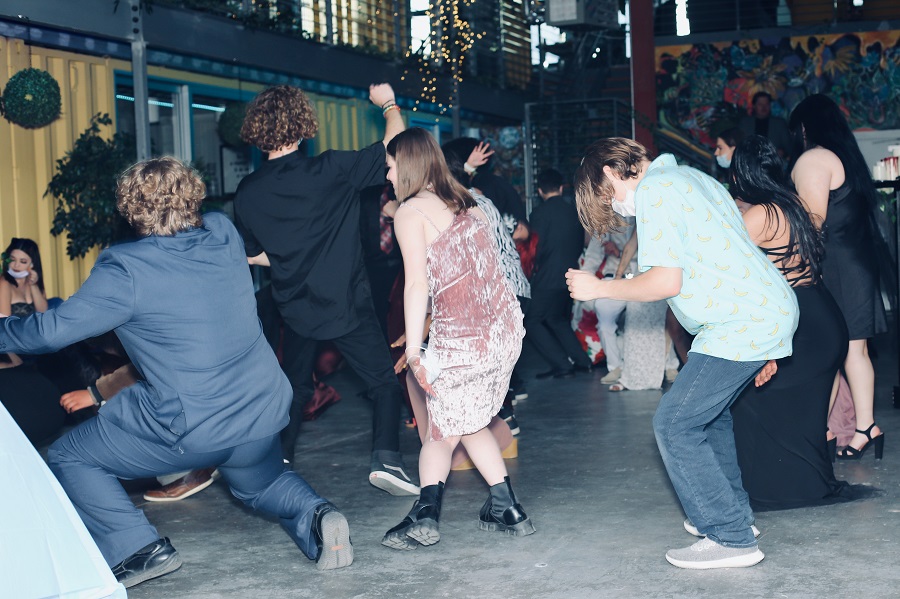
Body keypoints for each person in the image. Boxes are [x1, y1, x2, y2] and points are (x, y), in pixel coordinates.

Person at [0, 157, 353, 588]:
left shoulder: (125, 268)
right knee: (259, 483)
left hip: (192, 427)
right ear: (193, 195)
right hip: (260, 409)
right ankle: (316, 514)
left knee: (71, 455)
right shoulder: (222, 232)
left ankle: (136, 548)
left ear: (131, 209)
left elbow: (49, 332)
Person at [568, 137, 797, 569]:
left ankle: (730, 537)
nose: (616, 208)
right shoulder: (691, 176)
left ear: (613, 171)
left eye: (609, 197)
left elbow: (665, 282)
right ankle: (736, 520)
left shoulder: (657, 189)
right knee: (708, 417)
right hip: (750, 316)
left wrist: (599, 287)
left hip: (739, 321)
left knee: (674, 423)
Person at [234, 83, 419, 496]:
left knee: (295, 387)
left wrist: (286, 257)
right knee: (383, 383)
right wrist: (388, 101)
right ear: (302, 128)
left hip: (295, 306)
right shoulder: (331, 169)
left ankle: (279, 463)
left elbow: (253, 256)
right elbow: (397, 144)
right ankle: (386, 459)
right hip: (347, 303)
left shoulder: (248, 193)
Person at [380, 128, 534, 550]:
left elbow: (417, 286)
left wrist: (414, 350)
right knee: (468, 422)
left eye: (390, 165)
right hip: (503, 334)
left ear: (407, 164)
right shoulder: (471, 203)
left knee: (439, 434)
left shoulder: (410, 212)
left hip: (462, 341)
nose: (388, 174)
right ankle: (507, 506)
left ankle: (425, 515)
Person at [729, 135, 853, 509]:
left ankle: (771, 490)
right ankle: (806, 484)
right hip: (824, 317)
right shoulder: (796, 205)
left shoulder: (760, 214)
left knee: (745, 398)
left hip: (797, 322)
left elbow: (727, 267)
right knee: (804, 416)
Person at [789, 94, 887, 460]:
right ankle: (865, 427)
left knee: (826, 352)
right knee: (853, 351)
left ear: (802, 128)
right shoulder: (846, 157)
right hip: (855, 263)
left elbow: (811, 224)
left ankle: (820, 431)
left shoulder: (813, 159)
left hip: (833, 267)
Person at [527, 168, 594, 379]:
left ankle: (562, 364)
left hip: (548, 275)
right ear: (562, 187)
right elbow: (581, 243)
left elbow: (536, 247)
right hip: (571, 274)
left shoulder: (539, 213)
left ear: (539, 191)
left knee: (532, 320)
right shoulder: (573, 211)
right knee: (557, 319)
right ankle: (583, 362)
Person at [1, 238, 48, 318]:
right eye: (12, 259)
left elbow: (43, 313)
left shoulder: (34, 282)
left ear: (32, 264)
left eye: (23, 261)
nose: (16, 265)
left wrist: (33, 285)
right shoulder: (4, 283)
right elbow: (4, 322)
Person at [739, 91, 792, 161]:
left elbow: (789, 147)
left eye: (767, 104)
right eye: (760, 104)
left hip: (774, 162)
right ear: (754, 106)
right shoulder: (745, 123)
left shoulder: (779, 123)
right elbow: (739, 145)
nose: (764, 107)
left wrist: (783, 153)